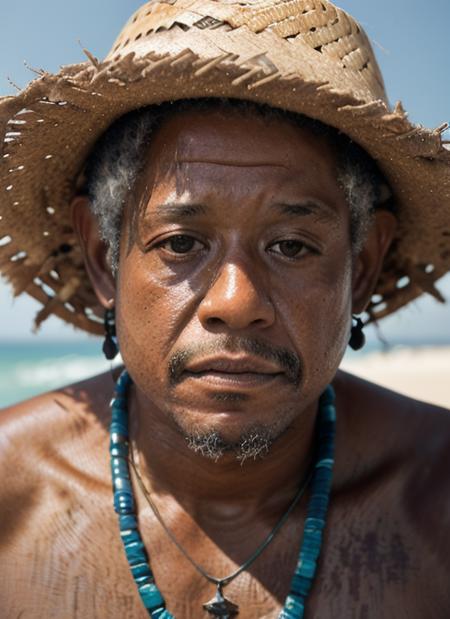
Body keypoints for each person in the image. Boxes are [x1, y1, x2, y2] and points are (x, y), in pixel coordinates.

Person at [1, 0, 449, 617]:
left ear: (363, 266)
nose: (236, 304)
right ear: (105, 258)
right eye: (181, 244)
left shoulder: (438, 504)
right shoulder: (9, 500)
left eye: (291, 247)